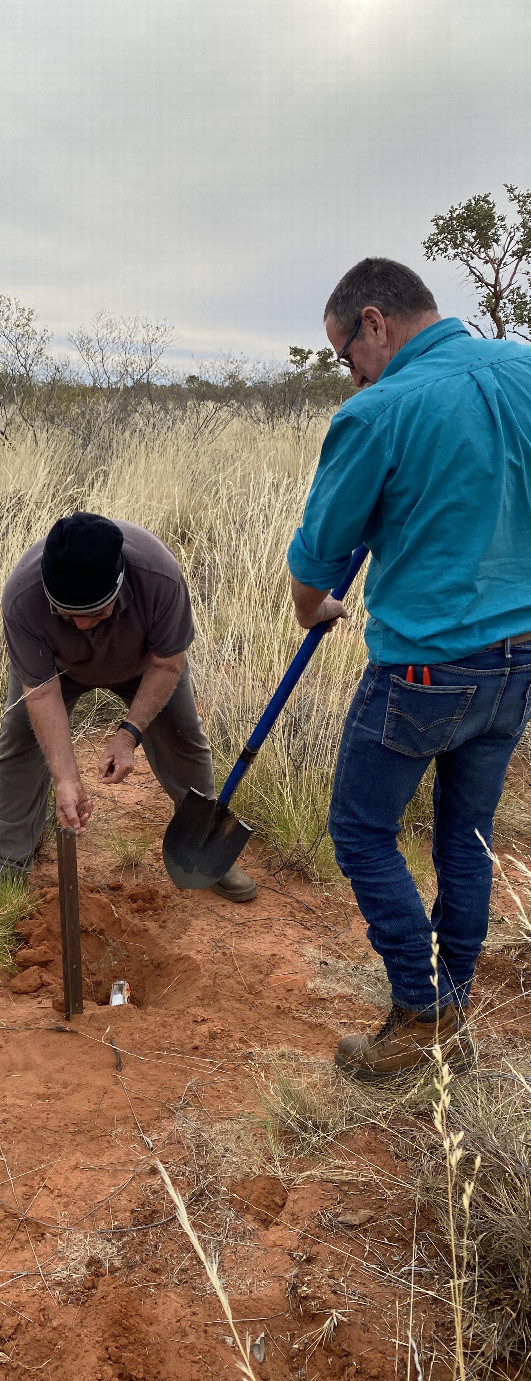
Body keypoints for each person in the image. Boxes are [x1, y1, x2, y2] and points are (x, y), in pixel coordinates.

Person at [287, 257, 531, 1081]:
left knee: (359, 830)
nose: (349, 372)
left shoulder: (380, 409)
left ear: (372, 321)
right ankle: (452, 1007)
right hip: (518, 661)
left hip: (426, 666)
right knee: (465, 836)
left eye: (344, 352)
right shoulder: (523, 365)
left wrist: (309, 607)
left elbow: (315, 562)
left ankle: (421, 1016)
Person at [0, 511, 257, 902]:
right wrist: (66, 779)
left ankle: (206, 849)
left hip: (146, 666)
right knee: (17, 750)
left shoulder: (159, 575)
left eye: (97, 612)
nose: (84, 626)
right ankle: (6, 863)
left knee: (184, 741)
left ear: (120, 582)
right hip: (57, 671)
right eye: (69, 614)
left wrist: (130, 733)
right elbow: (40, 693)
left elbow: (167, 662)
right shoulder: (22, 595)